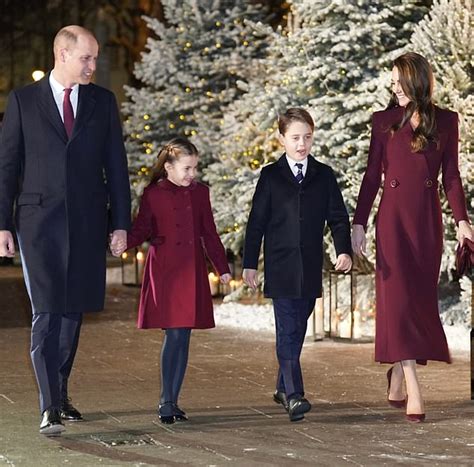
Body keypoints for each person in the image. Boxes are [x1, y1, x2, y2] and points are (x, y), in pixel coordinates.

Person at [0, 26, 131, 436]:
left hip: (89, 223)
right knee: (46, 311)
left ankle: (59, 393)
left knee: (73, 312)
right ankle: (47, 406)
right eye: (86, 58)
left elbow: (117, 166)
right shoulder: (23, 101)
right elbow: (6, 167)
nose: (93, 65)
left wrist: (121, 223)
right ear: (62, 54)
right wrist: (2, 223)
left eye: (94, 58)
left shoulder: (103, 103)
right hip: (38, 225)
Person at [352, 52, 473, 423]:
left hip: (426, 223)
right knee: (399, 301)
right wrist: (358, 223)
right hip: (391, 222)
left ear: (418, 82)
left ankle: (397, 374)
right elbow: (372, 176)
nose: (395, 89)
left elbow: (451, 177)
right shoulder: (383, 121)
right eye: (392, 83)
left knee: (417, 303)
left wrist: (463, 221)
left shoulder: (447, 122)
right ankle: (415, 391)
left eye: (400, 82)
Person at [242, 108, 352, 422]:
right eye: (295, 138)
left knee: (297, 330)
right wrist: (250, 263)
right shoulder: (270, 176)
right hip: (280, 265)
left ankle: (281, 386)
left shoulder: (324, 175)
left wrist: (342, 250)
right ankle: (294, 395)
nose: (301, 144)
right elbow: (256, 223)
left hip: (309, 266)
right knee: (287, 331)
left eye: (307, 137)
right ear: (282, 139)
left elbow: (338, 218)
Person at [112, 137, 231, 424]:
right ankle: (167, 401)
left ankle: (172, 401)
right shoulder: (153, 194)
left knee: (183, 335)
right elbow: (142, 228)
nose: (192, 175)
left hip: (191, 269)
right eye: (187, 168)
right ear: (168, 167)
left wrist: (222, 267)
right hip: (165, 270)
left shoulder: (200, 193)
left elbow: (209, 233)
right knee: (175, 333)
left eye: (195, 169)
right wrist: (123, 241)